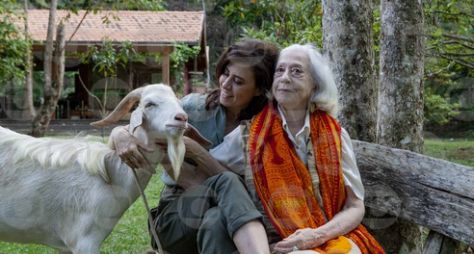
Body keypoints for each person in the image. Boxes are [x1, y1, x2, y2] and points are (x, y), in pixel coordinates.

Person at [109, 39, 279, 254]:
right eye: (225, 73)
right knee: (226, 182)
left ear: (258, 90)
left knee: (216, 217)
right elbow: (142, 120)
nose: (225, 84)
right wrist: (119, 134)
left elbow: (256, 194)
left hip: (231, 223)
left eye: (238, 81)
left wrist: (196, 151)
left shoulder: (265, 127)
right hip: (177, 218)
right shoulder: (192, 108)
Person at [239, 44, 385, 253]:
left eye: (296, 71)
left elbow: (355, 206)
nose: (285, 78)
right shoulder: (249, 137)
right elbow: (214, 170)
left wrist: (317, 235)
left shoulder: (335, 135)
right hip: (279, 244)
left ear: (315, 85)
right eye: (280, 70)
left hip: (332, 235)